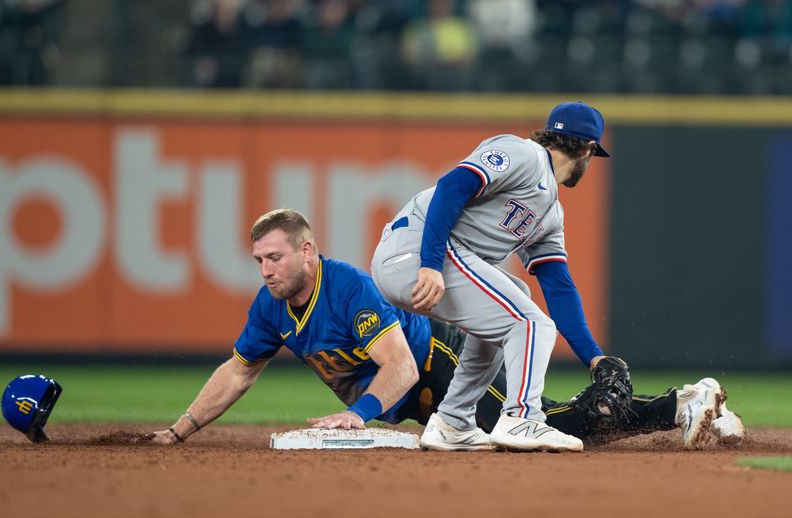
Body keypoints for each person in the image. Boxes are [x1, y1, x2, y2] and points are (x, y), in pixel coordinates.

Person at [151, 209, 745, 449]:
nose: (265, 270)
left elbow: (401, 367)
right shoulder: (270, 307)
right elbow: (238, 370)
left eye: (274, 258)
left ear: (307, 250)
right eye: (258, 260)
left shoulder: (347, 286)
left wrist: (358, 416)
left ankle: (680, 405)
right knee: (534, 426)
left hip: (437, 360)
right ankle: (686, 405)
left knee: (543, 428)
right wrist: (178, 432)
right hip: (405, 397)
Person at [370, 101, 727, 452]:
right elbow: (452, 186)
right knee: (531, 323)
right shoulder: (525, 154)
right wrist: (430, 263)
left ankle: (453, 422)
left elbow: (558, 286)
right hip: (416, 253)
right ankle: (522, 417)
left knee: (518, 298)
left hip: (428, 258)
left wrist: (594, 358)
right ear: (589, 148)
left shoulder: (550, 214)